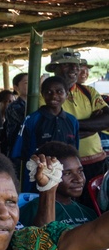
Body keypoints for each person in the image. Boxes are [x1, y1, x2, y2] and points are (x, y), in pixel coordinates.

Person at [47, 48, 109, 182]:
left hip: (97, 161)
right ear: (54, 68)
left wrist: (69, 127)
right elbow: (53, 129)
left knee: (96, 201)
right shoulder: (46, 94)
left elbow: (107, 119)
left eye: (76, 64)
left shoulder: (89, 91)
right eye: (66, 64)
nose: (74, 68)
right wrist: (94, 125)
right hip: (65, 166)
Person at [10, 75, 78, 191]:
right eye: (49, 92)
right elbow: (20, 152)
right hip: (38, 177)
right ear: (42, 94)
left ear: (66, 94)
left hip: (64, 178)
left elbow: (74, 151)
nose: (54, 96)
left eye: (59, 92)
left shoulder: (72, 121)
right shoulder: (32, 119)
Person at [19, 142, 94, 228]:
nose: (79, 179)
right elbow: (40, 238)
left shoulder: (89, 212)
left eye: (80, 171)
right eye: (67, 173)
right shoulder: (32, 210)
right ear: (46, 173)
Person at [2, 71, 28, 155]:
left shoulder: (40, 103)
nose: (31, 84)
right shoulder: (13, 107)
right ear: (16, 87)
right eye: (26, 82)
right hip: (18, 149)